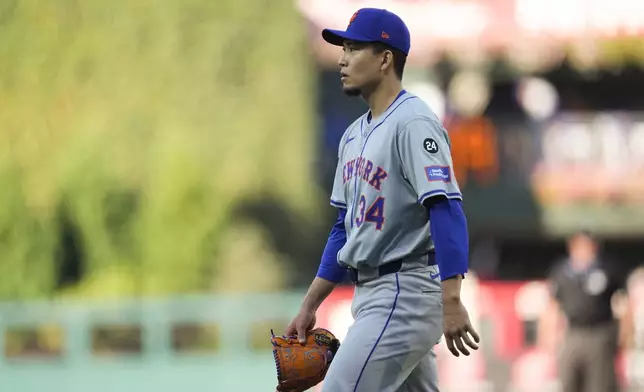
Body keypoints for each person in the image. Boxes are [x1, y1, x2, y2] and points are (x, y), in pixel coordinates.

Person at [284, 8, 479, 391]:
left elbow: (446, 208)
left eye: (354, 48)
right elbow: (344, 230)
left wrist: (452, 298)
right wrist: (310, 304)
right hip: (373, 292)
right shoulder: (354, 135)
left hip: (404, 291)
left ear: (385, 58)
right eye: (343, 49)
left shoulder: (413, 122)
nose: (342, 58)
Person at [540, 230, 624, 392]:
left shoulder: (606, 270)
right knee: (569, 381)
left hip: (599, 332)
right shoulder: (562, 272)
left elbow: (621, 303)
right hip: (572, 333)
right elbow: (553, 305)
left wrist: (622, 334)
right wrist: (548, 334)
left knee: (599, 384)